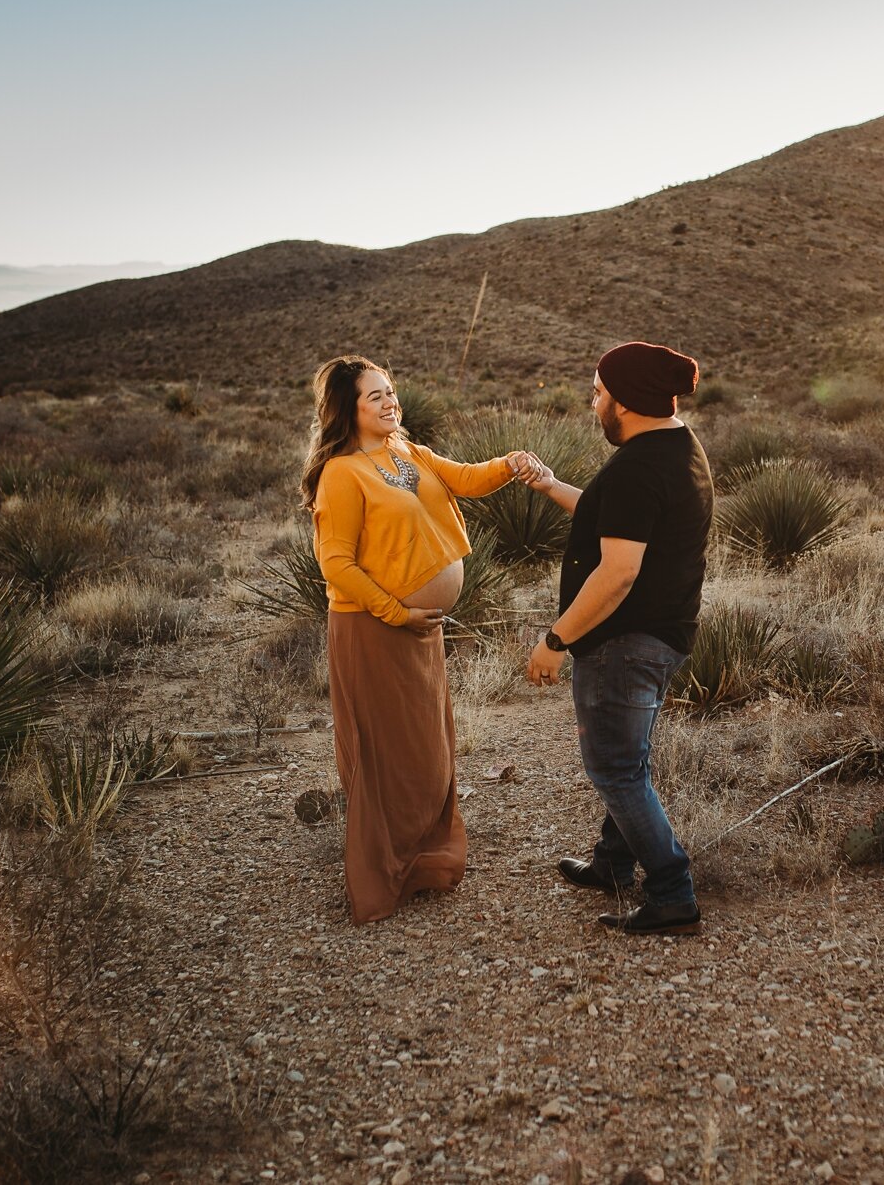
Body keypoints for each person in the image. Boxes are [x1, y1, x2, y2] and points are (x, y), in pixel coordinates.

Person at [302, 355, 537, 924]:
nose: (389, 403)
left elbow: (466, 479)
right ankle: (385, 875)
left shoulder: (407, 452)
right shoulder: (343, 472)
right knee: (385, 752)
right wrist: (394, 611)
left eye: (391, 392)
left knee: (424, 746)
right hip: (372, 627)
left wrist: (510, 463)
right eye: (374, 397)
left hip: (416, 629)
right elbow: (334, 562)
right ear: (346, 410)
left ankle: (426, 859)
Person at [521, 341, 714, 936]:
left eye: (598, 392)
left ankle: (671, 892)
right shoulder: (678, 447)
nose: (594, 403)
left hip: (624, 644)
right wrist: (553, 486)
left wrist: (555, 641)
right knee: (629, 756)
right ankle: (612, 862)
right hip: (660, 635)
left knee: (615, 769)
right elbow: (620, 519)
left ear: (624, 402)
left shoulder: (637, 466)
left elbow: (618, 571)